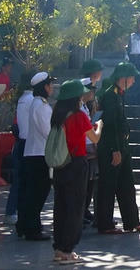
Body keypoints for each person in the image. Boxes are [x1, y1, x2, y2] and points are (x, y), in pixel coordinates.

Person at [52, 79, 100, 265]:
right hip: (77, 163)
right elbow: (94, 137)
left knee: (61, 206)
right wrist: (100, 125)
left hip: (60, 164)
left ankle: (58, 248)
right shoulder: (79, 115)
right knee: (75, 207)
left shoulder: (57, 114)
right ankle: (67, 249)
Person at [96, 62, 140, 234]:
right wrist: (115, 149)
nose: (134, 80)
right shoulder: (110, 96)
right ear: (124, 78)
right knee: (108, 186)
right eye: (132, 77)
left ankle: (132, 221)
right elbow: (110, 125)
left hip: (122, 146)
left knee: (127, 185)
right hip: (112, 147)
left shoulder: (119, 94)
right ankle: (105, 224)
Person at [17, 72, 55, 241]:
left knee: (32, 192)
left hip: (34, 153)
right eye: (49, 85)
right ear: (44, 87)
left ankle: (26, 224)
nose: (51, 87)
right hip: (39, 154)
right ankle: (32, 228)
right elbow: (49, 132)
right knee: (37, 193)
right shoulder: (42, 106)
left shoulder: (37, 103)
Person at [5, 71, 34, 226]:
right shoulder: (31, 99)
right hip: (26, 143)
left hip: (20, 143)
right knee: (22, 181)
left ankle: (13, 211)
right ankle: (13, 211)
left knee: (19, 181)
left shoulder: (23, 98)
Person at [78, 60, 103, 226]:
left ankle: (84, 211)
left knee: (89, 183)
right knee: (83, 185)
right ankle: (80, 213)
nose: (93, 93)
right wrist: (99, 126)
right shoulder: (80, 109)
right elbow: (93, 136)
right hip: (83, 149)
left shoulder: (85, 107)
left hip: (89, 148)